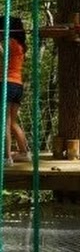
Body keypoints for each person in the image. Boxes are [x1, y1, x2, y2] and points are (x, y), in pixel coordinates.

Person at [0, 16, 29, 164]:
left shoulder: (8, 42)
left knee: (4, 121)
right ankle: (24, 152)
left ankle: (6, 157)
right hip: (17, 85)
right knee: (12, 122)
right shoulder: (20, 45)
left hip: (7, 83)